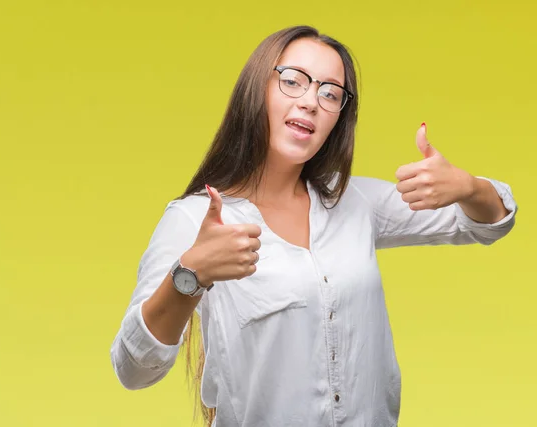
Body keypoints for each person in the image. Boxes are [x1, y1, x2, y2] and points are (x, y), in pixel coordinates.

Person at [110, 25, 517, 427]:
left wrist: (467, 186)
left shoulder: (355, 202)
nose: (311, 102)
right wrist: (190, 276)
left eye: (330, 93)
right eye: (293, 81)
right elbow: (133, 370)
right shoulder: (194, 220)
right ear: (257, 90)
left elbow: (490, 221)